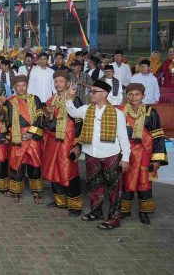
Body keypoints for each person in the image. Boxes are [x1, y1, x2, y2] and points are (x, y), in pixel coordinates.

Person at [65, 80, 132, 230]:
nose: (91, 94)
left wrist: (126, 158)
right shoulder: (86, 109)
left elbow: (123, 138)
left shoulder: (117, 113)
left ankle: (114, 219)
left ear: (105, 94)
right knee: (94, 185)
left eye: (94, 91)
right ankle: (96, 212)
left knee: (114, 188)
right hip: (91, 154)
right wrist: (69, 98)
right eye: (91, 91)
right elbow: (72, 112)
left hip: (111, 155)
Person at [119, 83, 168, 225]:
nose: (134, 97)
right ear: (126, 96)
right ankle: (124, 210)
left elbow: (158, 136)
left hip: (146, 155)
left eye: (137, 94)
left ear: (143, 96)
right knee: (126, 181)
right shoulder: (121, 111)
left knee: (144, 183)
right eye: (131, 94)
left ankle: (144, 212)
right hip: (127, 154)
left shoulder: (151, 112)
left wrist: (156, 160)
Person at [42, 71, 83, 217]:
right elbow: (46, 122)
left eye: (61, 81)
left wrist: (77, 144)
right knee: (54, 169)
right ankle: (60, 201)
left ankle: (75, 205)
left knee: (69, 171)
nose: (58, 84)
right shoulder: (50, 100)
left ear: (67, 83)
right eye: (56, 81)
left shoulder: (75, 99)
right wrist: (47, 114)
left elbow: (80, 122)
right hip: (53, 140)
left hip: (68, 140)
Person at [6, 75, 45, 204]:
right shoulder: (9, 101)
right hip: (18, 136)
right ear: (14, 87)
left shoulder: (35, 99)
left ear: (27, 85)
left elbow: (40, 118)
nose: (21, 88)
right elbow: (6, 120)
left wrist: (31, 133)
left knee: (35, 164)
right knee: (17, 164)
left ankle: (36, 192)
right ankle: (16, 191)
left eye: (23, 85)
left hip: (33, 136)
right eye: (18, 86)